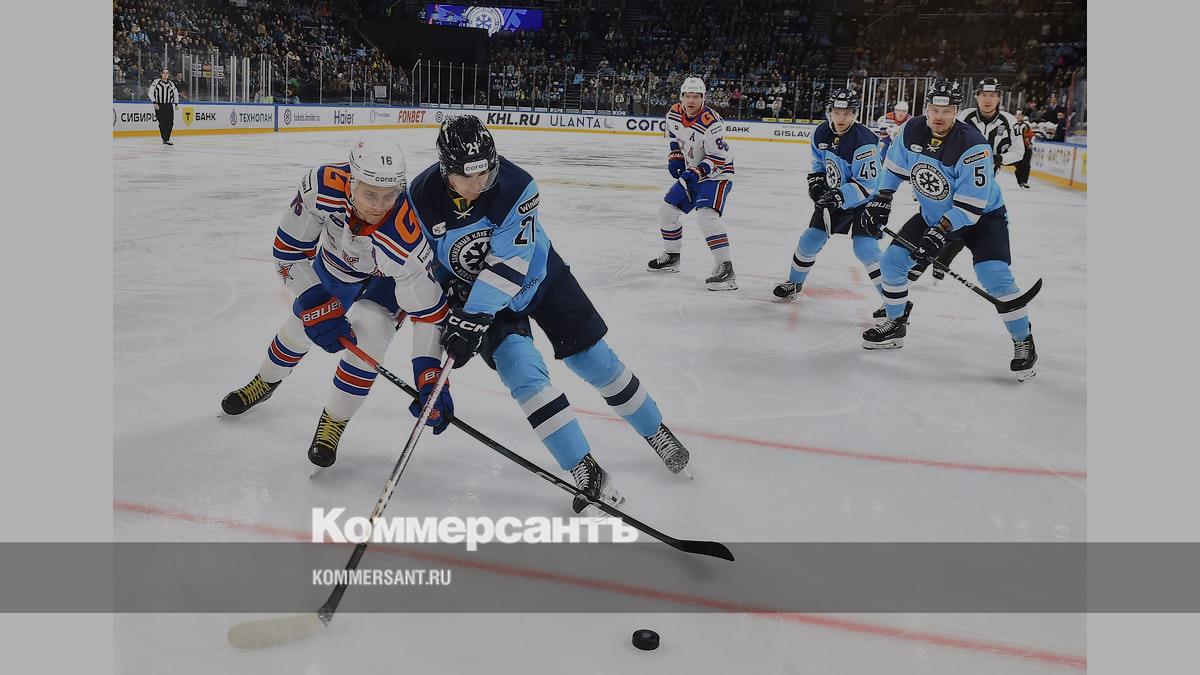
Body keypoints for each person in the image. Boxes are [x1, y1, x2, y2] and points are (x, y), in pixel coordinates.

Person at [401, 115, 692, 513]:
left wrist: (471, 317)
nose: (478, 184)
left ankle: (655, 430)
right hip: (479, 300)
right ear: (444, 169)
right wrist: (442, 311)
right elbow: (415, 266)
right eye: (467, 177)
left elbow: (510, 264)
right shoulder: (419, 198)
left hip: (540, 279)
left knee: (594, 360)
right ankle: (584, 467)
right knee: (523, 373)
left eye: (485, 173)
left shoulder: (518, 186)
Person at [220, 138, 454, 467]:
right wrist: (313, 299)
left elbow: (429, 314)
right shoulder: (321, 187)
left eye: (390, 195)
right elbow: (288, 252)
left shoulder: (407, 240)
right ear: (351, 183)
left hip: (389, 281)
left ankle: (334, 421)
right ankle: (265, 380)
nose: (380, 206)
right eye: (371, 194)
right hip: (336, 267)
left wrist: (429, 373)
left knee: (372, 331)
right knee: (301, 325)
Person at [860, 79, 1038, 381]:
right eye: (934, 109)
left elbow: (970, 206)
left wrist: (939, 232)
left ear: (956, 111)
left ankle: (1024, 340)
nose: (939, 116)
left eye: (946, 111)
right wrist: (882, 199)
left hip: (983, 219)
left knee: (995, 276)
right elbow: (894, 169)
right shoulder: (912, 129)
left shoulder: (973, 146)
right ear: (926, 108)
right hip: (935, 214)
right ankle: (896, 323)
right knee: (891, 263)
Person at [772, 88, 896, 318]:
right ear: (830, 112)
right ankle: (794, 283)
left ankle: (892, 301)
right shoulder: (821, 133)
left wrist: (838, 196)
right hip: (836, 195)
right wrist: (817, 180)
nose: (841, 118)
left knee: (865, 248)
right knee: (811, 238)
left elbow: (868, 184)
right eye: (837, 113)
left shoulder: (864, 141)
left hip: (867, 200)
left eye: (847, 113)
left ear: (855, 114)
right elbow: (819, 162)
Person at [915, 77, 1026, 281]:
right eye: (984, 95)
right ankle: (923, 262)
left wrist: (998, 158)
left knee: (968, 219)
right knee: (950, 217)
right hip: (953, 175)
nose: (987, 99)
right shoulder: (964, 116)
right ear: (976, 97)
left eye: (992, 95)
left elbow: (1019, 151)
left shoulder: (1010, 121)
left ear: (999, 98)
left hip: (985, 179)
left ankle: (938, 261)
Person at [647, 77, 738, 291]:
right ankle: (672, 256)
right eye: (687, 96)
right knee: (667, 211)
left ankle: (726, 269)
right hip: (694, 172)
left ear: (703, 98)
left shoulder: (712, 122)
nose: (691, 100)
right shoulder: (674, 113)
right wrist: (675, 155)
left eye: (696, 96)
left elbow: (718, 158)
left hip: (717, 174)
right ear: (681, 97)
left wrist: (696, 172)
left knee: (706, 216)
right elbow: (673, 135)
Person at [147, 69, 179, 146]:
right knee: (162, 123)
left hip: (168, 105)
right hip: (159, 105)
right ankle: (164, 138)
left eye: (167, 73)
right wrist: (154, 102)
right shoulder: (156, 82)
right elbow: (150, 93)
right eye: (164, 73)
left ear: (168, 75)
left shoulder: (171, 83)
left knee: (170, 122)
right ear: (161, 74)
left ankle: (167, 139)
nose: (165, 74)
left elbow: (175, 93)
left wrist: (176, 103)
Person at [1012, 110, 1034, 188]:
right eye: (1017, 115)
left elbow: (1029, 135)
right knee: (1018, 164)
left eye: (1020, 115)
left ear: (1022, 116)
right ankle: (1020, 180)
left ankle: (1024, 181)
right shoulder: (1012, 125)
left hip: (1025, 147)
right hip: (1016, 148)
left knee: (1026, 164)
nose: (1018, 116)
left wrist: (1028, 143)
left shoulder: (1026, 125)